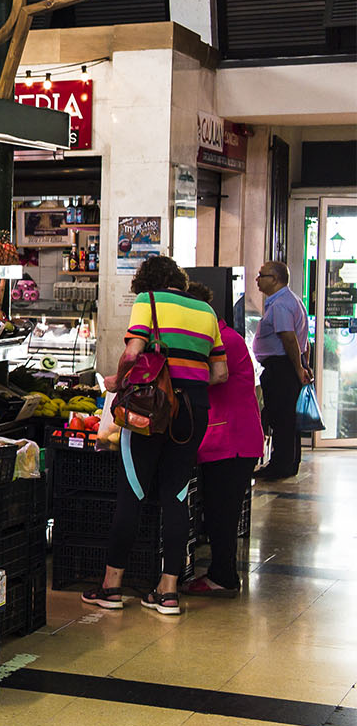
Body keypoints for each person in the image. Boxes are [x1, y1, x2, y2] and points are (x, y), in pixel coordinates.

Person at [84, 256, 225, 617]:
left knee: (131, 493)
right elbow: (220, 372)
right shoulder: (207, 311)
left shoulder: (148, 301)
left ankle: (111, 586)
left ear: (146, 281)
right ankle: (168, 593)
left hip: (150, 410)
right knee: (177, 496)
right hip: (194, 412)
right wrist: (186, 384)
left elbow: (133, 352)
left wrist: (117, 381)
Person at [184, 281, 259, 597]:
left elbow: (210, 376)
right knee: (218, 510)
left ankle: (223, 577)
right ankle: (221, 573)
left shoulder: (224, 340)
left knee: (221, 513)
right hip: (225, 439)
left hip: (233, 441)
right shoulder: (223, 337)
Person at [252, 260, 310, 480]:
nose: (257, 279)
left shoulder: (280, 305)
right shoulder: (292, 300)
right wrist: (305, 364)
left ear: (274, 279)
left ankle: (281, 465)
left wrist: (298, 369)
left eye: (261, 275)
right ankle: (290, 462)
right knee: (287, 418)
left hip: (282, 368)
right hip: (288, 366)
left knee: (281, 418)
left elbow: (289, 338)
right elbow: (305, 341)